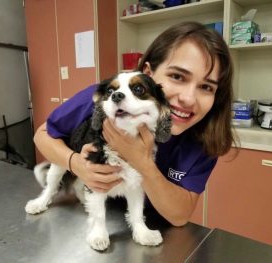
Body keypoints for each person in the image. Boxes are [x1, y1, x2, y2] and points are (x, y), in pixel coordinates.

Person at [34, 21, 235, 227]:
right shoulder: (106, 99)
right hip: (92, 212)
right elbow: (42, 134)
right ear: (148, 74)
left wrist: (141, 161)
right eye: (177, 76)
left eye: (206, 87)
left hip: (149, 225)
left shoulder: (204, 136)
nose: (189, 98)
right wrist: (76, 164)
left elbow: (179, 215)